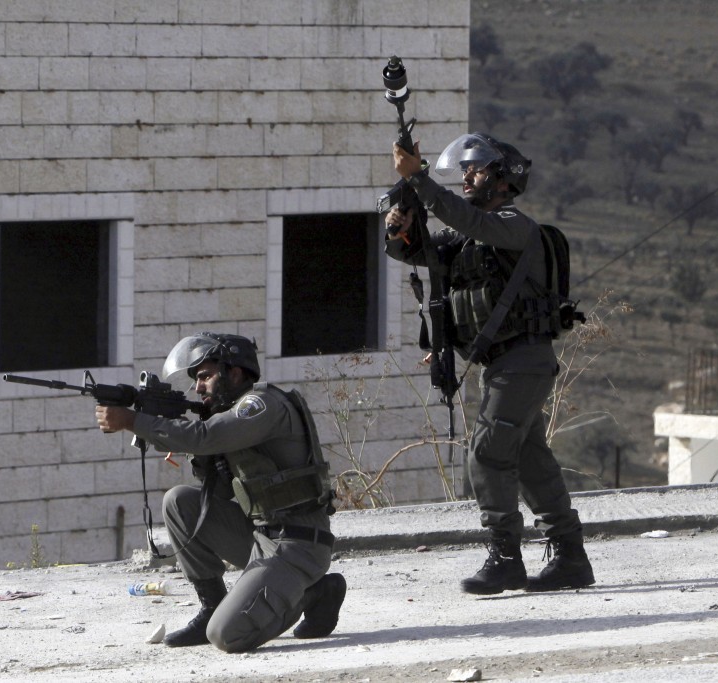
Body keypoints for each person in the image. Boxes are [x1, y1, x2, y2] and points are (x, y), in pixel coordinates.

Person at [385, 132, 594, 595]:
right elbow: (415, 250)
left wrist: (419, 178)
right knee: (529, 457)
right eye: (464, 170)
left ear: (501, 179)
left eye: (474, 170)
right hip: (503, 366)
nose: (466, 176)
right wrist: (399, 226)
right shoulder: (468, 234)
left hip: (523, 360)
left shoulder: (514, 227)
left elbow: (458, 216)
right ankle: (570, 557)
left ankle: (505, 558)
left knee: (487, 452)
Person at [94, 332, 345, 652]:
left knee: (227, 636)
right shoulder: (230, 416)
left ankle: (313, 592)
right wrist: (205, 460)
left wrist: (133, 421)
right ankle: (211, 605)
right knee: (179, 502)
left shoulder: (261, 405)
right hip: (260, 537)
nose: (197, 388)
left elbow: (204, 436)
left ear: (235, 373)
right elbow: (225, 490)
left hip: (298, 543)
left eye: (205, 376)